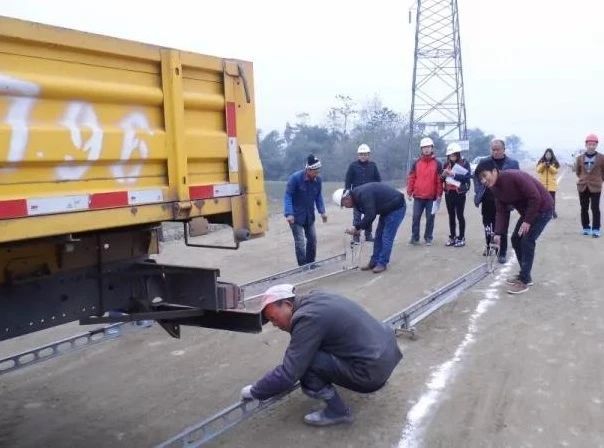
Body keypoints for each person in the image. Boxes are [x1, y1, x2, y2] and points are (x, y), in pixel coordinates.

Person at [240, 284, 402, 426]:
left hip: (371, 374)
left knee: (308, 363)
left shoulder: (306, 319)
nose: (275, 325)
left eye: (273, 318)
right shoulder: (317, 297)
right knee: (317, 348)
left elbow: (289, 373)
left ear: (288, 304)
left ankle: (338, 412)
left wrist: (255, 391)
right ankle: (376, 374)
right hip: (387, 355)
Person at [475, 160, 553, 294]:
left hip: (542, 209)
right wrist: (498, 233)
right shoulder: (494, 187)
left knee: (527, 240)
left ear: (494, 171)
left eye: (484, 175)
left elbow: (535, 197)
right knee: (516, 239)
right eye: (480, 178)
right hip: (528, 212)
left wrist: (527, 221)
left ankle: (524, 279)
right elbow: (501, 211)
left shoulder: (514, 177)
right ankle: (525, 274)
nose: (483, 181)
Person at [332, 183, 406, 273]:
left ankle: (382, 263)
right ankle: (374, 261)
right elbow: (368, 216)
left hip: (396, 207)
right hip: (386, 209)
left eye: (344, 205)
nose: (345, 207)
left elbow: (370, 215)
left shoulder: (363, 195)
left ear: (346, 199)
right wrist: (358, 228)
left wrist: (357, 227)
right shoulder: (356, 198)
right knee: (378, 236)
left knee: (387, 237)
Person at [473, 138, 519, 263]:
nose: (495, 152)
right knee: (488, 225)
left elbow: (517, 182)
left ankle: (502, 252)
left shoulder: (513, 163)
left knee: (502, 227)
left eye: (498, 149)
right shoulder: (484, 162)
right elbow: (476, 176)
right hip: (488, 199)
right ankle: (489, 246)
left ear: (504, 149)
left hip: (504, 201)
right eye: (493, 149)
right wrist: (478, 190)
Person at [284, 154, 327, 266]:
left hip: (309, 216)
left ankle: (311, 263)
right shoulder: (295, 178)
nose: (317, 174)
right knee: (300, 242)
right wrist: (289, 213)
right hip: (296, 216)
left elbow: (318, 196)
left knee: (312, 239)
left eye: (318, 171)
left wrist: (322, 211)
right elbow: (288, 196)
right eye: (315, 171)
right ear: (308, 169)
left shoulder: (318, 180)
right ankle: (303, 265)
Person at [406, 137, 443, 246]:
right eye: (424, 147)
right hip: (418, 196)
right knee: (416, 217)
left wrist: (439, 194)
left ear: (432, 148)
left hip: (431, 197)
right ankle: (415, 237)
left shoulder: (437, 163)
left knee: (430, 218)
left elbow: (439, 181)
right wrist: (409, 191)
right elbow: (412, 177)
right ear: (421, 149)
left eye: (428, 147)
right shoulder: (416, 163)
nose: (426, 149)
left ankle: (428, 238)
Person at [344, 144, 382, 242]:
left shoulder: (373, 166)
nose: (363, 156)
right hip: (356, 196)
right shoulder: (353, 166)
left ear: (368, 155)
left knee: (369, 216)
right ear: (358, 155)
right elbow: (348, 181)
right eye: (361, 154)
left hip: (370, 197)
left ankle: (368, 235)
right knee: (356, 217)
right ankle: (356, 237)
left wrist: (378, 193)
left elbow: (378, 180)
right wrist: (347, 192)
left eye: (365, 154)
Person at [441, 142, 472, 247]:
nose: (452, 157)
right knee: (451, 215)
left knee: (459, 215)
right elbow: (442, 178)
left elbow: (467, 177)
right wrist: (443, 175)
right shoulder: (446, 164)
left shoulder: (464, 163)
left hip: (459, 193)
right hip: (449, 192)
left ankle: (461, 237)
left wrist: (454, 174)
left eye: (454, 155)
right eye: (450, 155)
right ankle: (453, 237)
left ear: (458, 154)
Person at [575, 133, 604, 238]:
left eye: (593, 144)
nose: (591, 146)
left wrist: (599, 180)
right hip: (583, 186)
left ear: (596, 145)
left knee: (595, 208)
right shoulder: (579, 158)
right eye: (589, 144)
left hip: (596, 186)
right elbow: (578, 171)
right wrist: (583, 178)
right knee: (584, 208)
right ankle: (586, 227)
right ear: (586, 145)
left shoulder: (601, 158)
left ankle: (596, 229)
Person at [536, 148, 560, 219]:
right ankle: (543, 212)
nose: (548, 156)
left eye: (549, 154)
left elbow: (555, 171)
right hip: (542, 185)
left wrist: (549, 166)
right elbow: (538, 170)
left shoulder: (554, 163)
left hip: (551, 185)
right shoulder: (541, 162)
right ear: (545, 154)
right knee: (542, 200)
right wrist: (543, 165)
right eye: (547, 154)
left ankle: (552, 212)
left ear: (552, 155)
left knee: (552, 200)